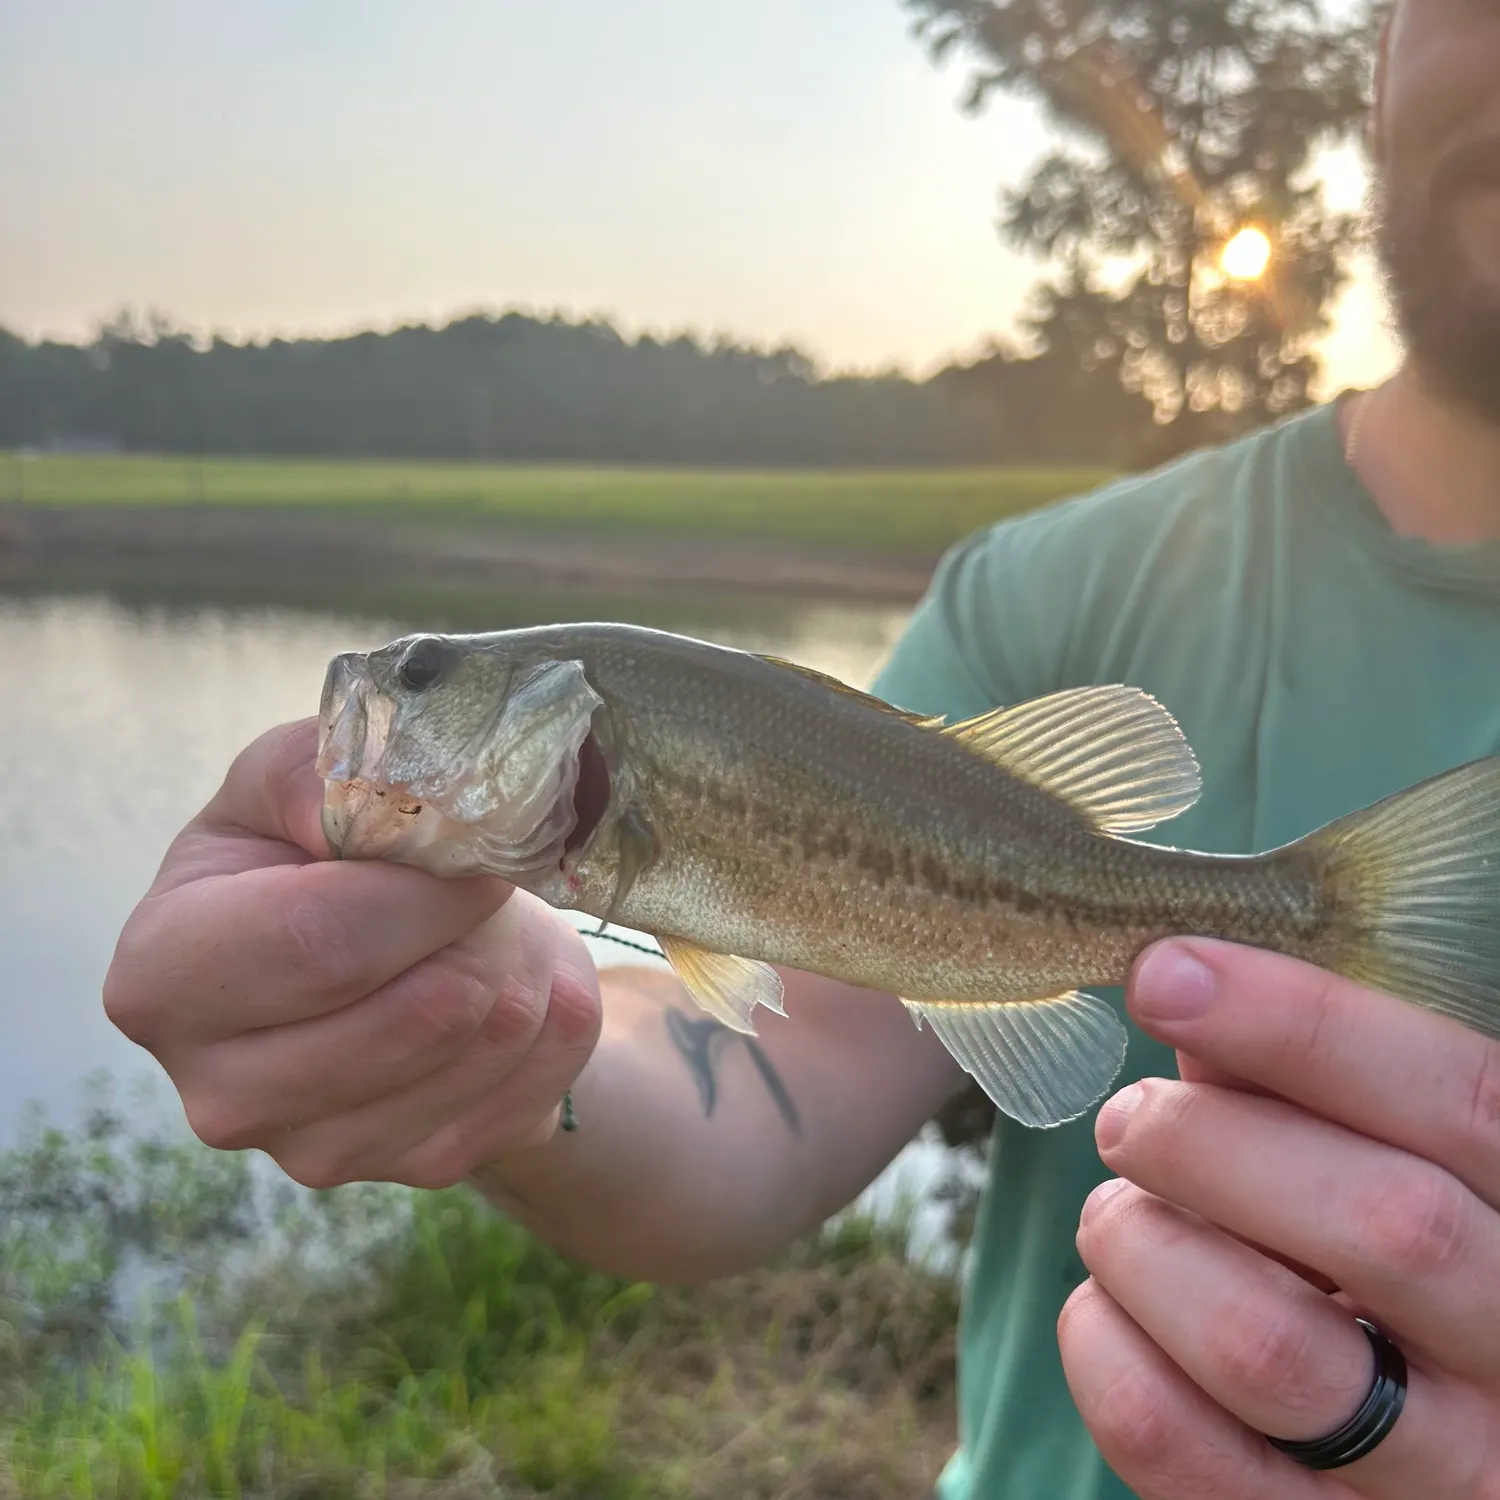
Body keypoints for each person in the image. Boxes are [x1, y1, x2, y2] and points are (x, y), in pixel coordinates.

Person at [102, 2, 1500, 1495]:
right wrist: (502, 1041)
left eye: (430, 679)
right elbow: (785, 1063)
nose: (394, 697)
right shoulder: (1053, 589)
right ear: (1381, 49)